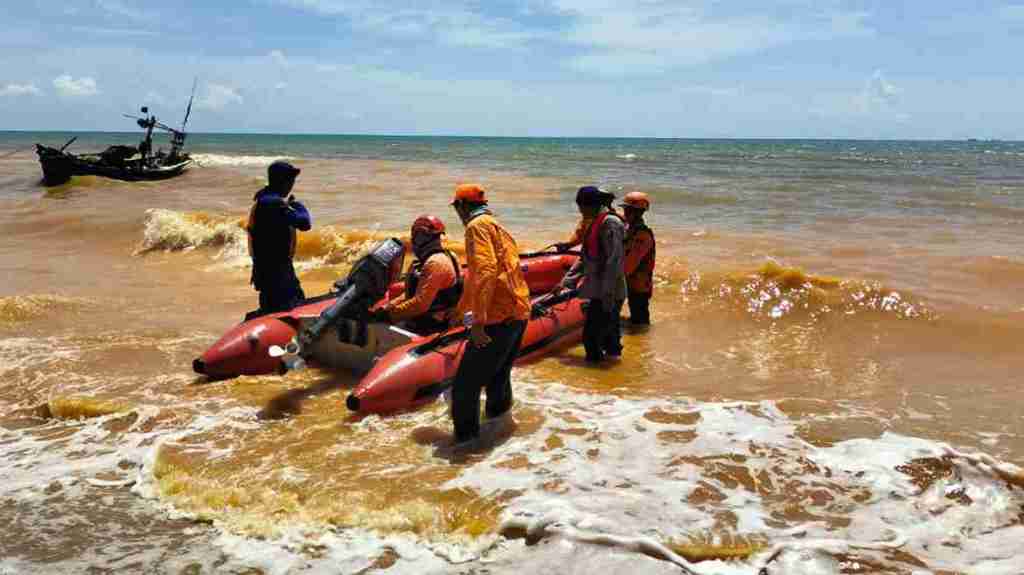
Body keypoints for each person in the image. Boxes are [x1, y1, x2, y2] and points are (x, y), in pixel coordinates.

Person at [448, 183, 531, 444]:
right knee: (498, 376)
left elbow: (485, 271)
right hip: (519, 312)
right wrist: (460, 310)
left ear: (462, 206)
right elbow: (485, 273)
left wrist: (479, 321)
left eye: (457, 208)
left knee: (465, 386)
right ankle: (500, 426)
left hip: (497, 317)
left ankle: (465, 445)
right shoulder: (497, 225)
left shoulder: (475, 227)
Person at [557, 186, 626, 362]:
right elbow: (585, 257)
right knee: (609, 336)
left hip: (609, 290)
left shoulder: (610, 223)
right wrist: (566, 282)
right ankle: (613, 372)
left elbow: (614, 261)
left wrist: (608, 294)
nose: (580, 211)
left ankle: (597, 372)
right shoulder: (594, 222)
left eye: (582, 207)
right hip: (599, 289)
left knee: (591, 338)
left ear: (592, 205)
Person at [370, 215, 462, 334]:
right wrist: (389, 306)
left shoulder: (435, 263)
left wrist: (389, 316)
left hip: (431, 326)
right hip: (426, 319)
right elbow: (412, 293)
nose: (414, 241)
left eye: (418, 237)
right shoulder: (448, 255)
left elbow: (420, 304)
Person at [246, 161, 311, 318]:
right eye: (291, 180)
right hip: (276, 271)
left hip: (266, 267)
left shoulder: (263, 199)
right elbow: (304, 223)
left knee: (272, 308)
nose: (292, 185)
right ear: (283, 181)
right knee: (292, 308)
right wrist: (298, 206)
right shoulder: (272, 203)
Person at [620, 192, 656, 325]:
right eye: (625, 210)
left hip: (639, 285)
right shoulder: (630, 229)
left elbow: (628, 267)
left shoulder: (642, 236)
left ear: (636, 212)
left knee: (640, 322)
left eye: (627, 210)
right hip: (630, 281)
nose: (624, 213)